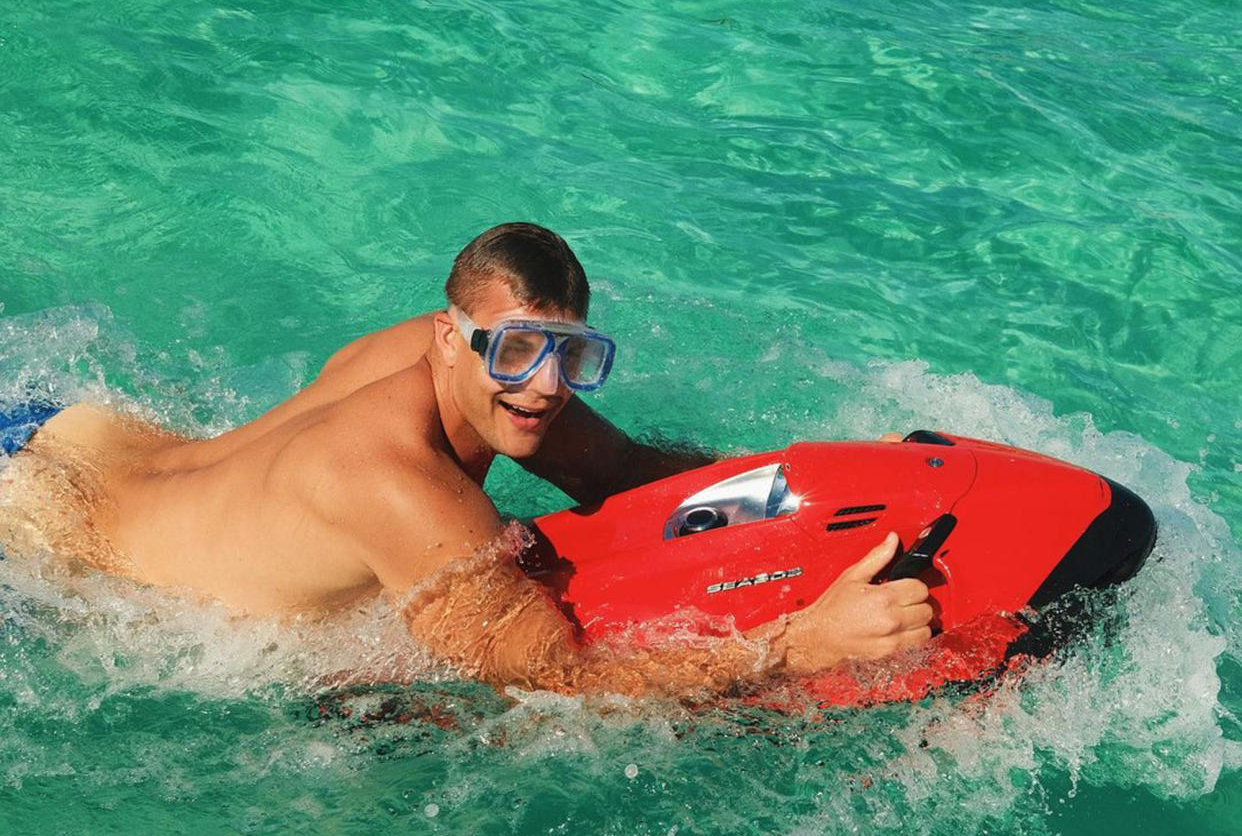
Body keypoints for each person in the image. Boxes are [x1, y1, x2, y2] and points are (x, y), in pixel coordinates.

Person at [0, 223, 933, 697]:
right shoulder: (397, 487)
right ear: (451, 336)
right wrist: (798, 647)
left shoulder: (495, 374)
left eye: (572, 356)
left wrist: (823, 469)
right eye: (520, 351)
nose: (545, 388)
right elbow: (563, 684)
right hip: (49, 534)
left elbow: (628, 472)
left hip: (76, 434)